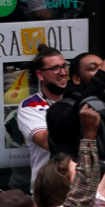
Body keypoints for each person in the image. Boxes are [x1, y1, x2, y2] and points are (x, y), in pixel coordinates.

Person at [46, 49, 105, 161]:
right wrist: (103, 75)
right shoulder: (59, 110)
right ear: (76, 79)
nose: (103, 71)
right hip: (76, 176)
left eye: (103, 67)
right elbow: (83, 106)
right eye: (93, 68)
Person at [18, 45, 69, 183]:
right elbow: (47, 142)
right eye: (55, 68)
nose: (63, 72)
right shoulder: (30, 106)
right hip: (47, 188)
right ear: (40, 74)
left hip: (78, 183)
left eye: (64, 66)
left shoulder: (75, 99)